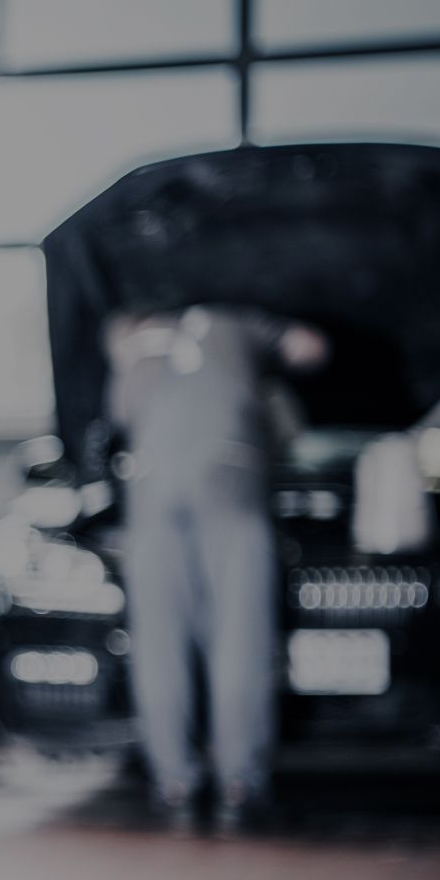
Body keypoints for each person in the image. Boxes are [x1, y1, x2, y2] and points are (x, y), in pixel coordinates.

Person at [104, 305, 329, 831]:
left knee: (158, 640)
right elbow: (310, 346)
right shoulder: (236, 323)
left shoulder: (132, 341)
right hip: (228, 469)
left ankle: (175, 780)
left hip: (151, 483)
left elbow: (118, 417)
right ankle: (240, 779)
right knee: (240, 634)